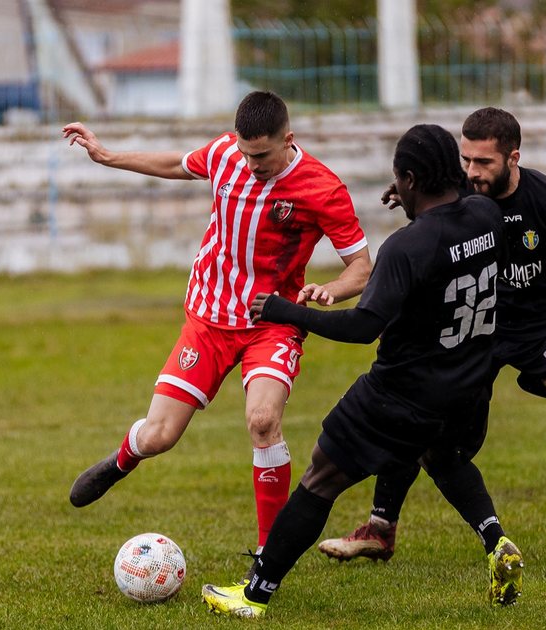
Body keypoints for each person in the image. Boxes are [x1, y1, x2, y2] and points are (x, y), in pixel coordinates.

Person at [318, 107, 546, 568]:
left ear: (513, 158)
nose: (472, 172)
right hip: (481, 324)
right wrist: (411, 191)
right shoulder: (464, 194)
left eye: (483, 163)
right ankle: (380, 529)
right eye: (466, 161)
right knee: (420, 412)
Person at [202, 124, 523, 619]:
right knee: (442, 456)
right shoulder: (486, 215)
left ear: (411, 179)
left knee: (320, 478)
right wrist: (418, 192)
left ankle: (255, 593)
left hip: (400, 393)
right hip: (468, 386)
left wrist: (288, 312)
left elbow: (363, 327)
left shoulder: (405, 248)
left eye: (402, 181)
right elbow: (455, 208)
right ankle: (497, 541)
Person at [61, 91, 372, 556]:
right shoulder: (227, 153)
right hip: (209, 318)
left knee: (263, 421)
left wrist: (331, 290)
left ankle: (270, 555)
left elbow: (361, 267)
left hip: (273, 320)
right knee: (159, 435)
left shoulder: (322, 188)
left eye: (262, 155)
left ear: (289, 139)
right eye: (246, 154)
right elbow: (175, 164)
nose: (251, 165)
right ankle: (124, 457)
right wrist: (108, 156)